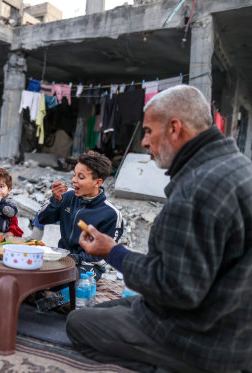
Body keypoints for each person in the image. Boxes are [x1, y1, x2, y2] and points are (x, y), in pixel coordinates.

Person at [66, 85, 252, 372]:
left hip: (203, 336)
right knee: (96, 310)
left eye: (149, 131)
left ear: (174, 128)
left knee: (78, 323)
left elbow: (177, 289)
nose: (144, 141)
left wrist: (113, 252)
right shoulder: (239, 167)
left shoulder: (197, 188)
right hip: (230, 323)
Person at [37, 150, 123, 279]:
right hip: (63, 257)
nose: (74, 180)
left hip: (88, 266)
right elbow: (42, 219)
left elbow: (106, 254)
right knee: (35, 266)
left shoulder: (111, 214)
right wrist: (55, 201)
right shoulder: (67, 197)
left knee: (69, 276)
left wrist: (76, 258)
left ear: (97, 182)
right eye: (74, 175)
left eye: (81, 177)